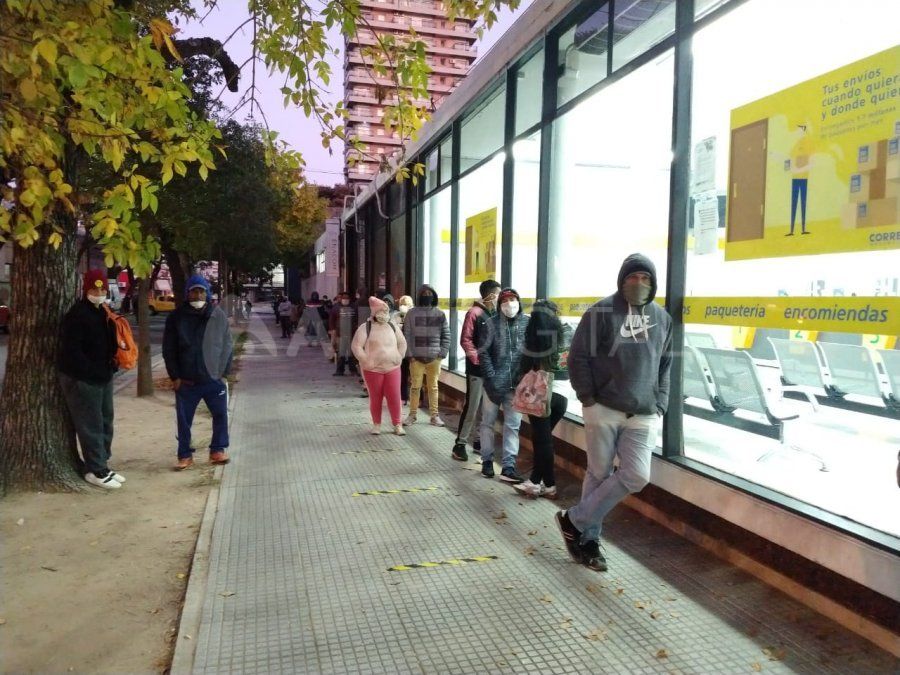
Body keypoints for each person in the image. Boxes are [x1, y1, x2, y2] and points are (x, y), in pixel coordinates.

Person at [556, 253, 672, 572]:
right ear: (621, 280)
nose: (639, 283)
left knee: (637, 474)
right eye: (633, 277)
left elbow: (665, 366)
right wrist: (588, 399)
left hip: (644, 412)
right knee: (598, 472)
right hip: (603, 408)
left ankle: (573, 520)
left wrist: (661, 402)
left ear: (654, 282)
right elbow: (577, 357)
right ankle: (589, 543)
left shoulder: (662, 319)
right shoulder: (601, 312)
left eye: (646, 278)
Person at [58, 270, 124, 489]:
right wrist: (91, 372)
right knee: (91, 424)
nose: (99, 292)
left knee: (106, 420)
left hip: (102, 376)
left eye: (102, 289)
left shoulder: (102, 312)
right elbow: (71, 351)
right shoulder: (77, 315)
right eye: (95, 289)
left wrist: (111, 363)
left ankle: (102, 464)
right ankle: (95, 470)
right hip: (83, 380)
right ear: (86, 289)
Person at [163, 274, 234, 471]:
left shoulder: (218, 316)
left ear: (208, 293)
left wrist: (223, 372)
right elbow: (169, 349)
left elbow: (228, 344)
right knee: (184, 421)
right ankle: (184, 454)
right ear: (187, 293)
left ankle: (217, 450)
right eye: (194, 291)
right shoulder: (176, 317)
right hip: (186, 382)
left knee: (220, 415)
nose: (198, 295)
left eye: (201, 291)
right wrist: (175, 376)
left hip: (213, 380)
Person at [512, 300, 571, 499]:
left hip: (541, 395)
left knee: (542, 441)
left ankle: (543, 484)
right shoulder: (567, 335)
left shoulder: (535, 339)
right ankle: (542, 483)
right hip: (563, 396)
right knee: (542, 439)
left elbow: (524, 368)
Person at [480, 288, 529, 483]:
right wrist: (491, 377)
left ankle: (508, 466)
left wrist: (524, 377)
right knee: (487, 423)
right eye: (505, 300)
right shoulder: (490, 324)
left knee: (513, 426)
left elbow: (531, 351)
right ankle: (487, 461)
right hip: (493, 385)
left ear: (519, 301)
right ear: (500, 304)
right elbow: (483, 353)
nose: (510, 303)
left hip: (516, 385)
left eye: (513, 299)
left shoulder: (527, 323)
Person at [452, 279, 499, 462]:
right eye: (497, 293)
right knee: (472, 406)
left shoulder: (495, 314)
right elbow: (466, 340)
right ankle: (460, 444)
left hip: (491, 371)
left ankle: (480, 442)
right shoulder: (474, 313)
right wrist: (479, 361)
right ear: (490, 295)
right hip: (477, 370)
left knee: (487, 410)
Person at [352, 296, 408, 435]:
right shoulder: (366, 327)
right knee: (375, 398)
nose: (384, 314)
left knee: (394, 397)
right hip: (373, 370)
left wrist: (398, 357)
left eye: (386, 311)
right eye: (381, 311)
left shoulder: (392, 326)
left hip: (392, 368)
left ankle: (397, 424)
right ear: (374, 312)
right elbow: (357, 346)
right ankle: (377, 424)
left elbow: (402, 343)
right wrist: (366, 361)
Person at [402, 284, 449, 426]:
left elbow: (446, 334)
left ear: (434, 296)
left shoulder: (440, 314)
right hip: (416, 358)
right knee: (415, 387)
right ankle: (412, 415)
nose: (427, 295)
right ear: (419, 295)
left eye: (430, 293)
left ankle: (434, 416)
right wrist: (410, 355)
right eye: (424, 293)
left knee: (433, 387)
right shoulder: (411, 313)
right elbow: (406, 335)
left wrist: (442, 353)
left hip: (434, 358)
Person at [330, 291, 358, 376]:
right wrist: (333, 331)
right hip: (340, 334)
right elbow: (332, 320)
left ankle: (353, 370)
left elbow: (357, 319)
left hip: (351, 334)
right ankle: (339, 370)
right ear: (341, 299)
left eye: (347, 298)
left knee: (352, 354)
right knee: (340, 353)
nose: (345, 300)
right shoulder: (336, 308)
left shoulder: (354, 307)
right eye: (344, 298)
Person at [395, 295, 414, 405]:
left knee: (415, 376)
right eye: (401, 304)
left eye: (405, 304)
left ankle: (418, 399)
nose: (403, 306)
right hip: (400, 350)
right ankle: (403, 396)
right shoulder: (396, 316)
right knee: (402, 374)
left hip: (412, 349)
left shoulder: (414, 315)